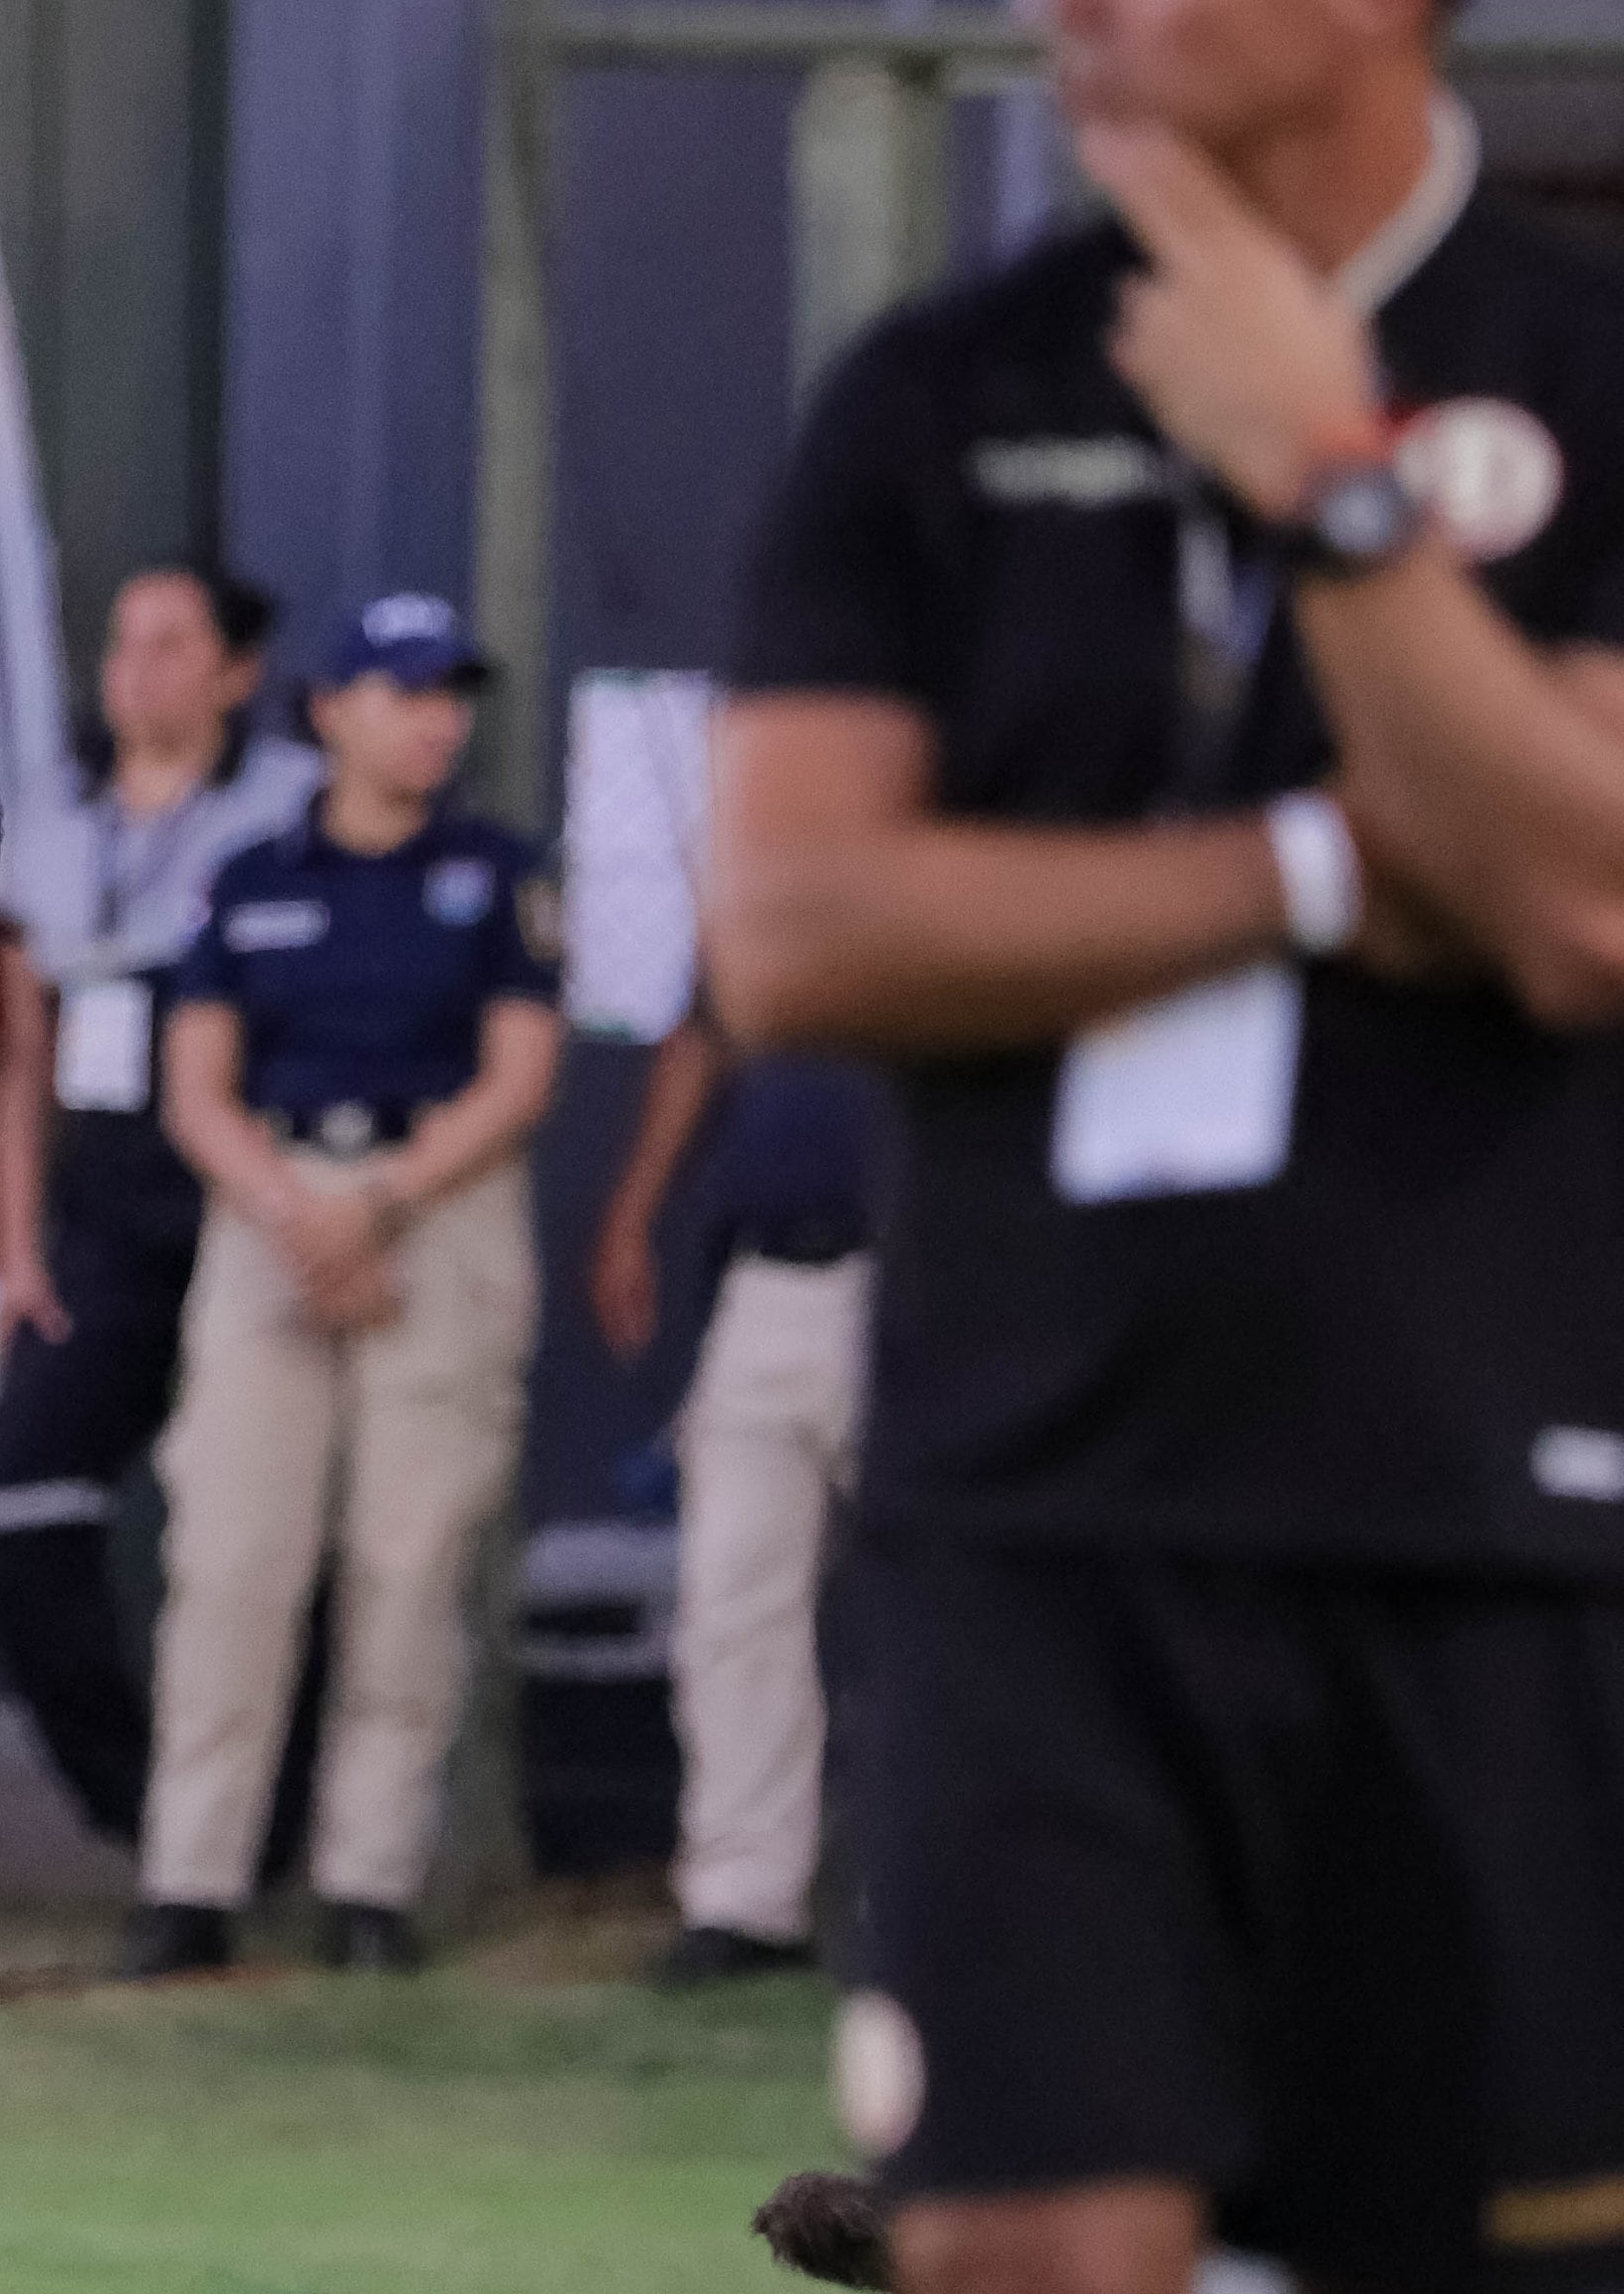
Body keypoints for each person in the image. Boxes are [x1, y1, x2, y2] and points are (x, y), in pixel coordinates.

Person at [709, 0, 1624, 2283]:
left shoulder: (1583, 366)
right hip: (1032, 1511)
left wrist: (1326, 482)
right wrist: (1325, 869)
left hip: (1485, 1520)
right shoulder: (939, 393)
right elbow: (800, 928)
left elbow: (1580, 900)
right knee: (1027, 2244)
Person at [121, 594, 560, 1980]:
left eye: (451, 692)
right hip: (272, 1203)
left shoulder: (493, 873)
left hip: (434, 1201)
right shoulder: (251, 877)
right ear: (329, 710)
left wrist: (373, 1209)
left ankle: (369, 1885)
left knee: (408, 1559)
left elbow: (521, 1077)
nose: (436, 717)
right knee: (233, 1558)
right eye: (404, 689)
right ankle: (191, 1880)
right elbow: (195, 1087)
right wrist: (295, 1214)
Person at [0, 561, 313, 1845]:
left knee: (254, 1517)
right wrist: (18, 1249)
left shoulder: (293, 810)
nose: (136, 673)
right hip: (101, 1217)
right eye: (122, 644)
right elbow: (22, 1052)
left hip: (241, 1197)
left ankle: (270, 1826)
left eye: (171, 646)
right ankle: (142, 1813)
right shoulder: (54, 825)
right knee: (22, 1496)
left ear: (236, 673)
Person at [586, 1007, 882, 1987]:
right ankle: (745, 1901)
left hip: (921, 1271)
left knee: (942, 1611)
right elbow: (701, 1035)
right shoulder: (772, 871)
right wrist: (635, 1212)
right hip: (763, 1270)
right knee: (731, 1604)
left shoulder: (975, 861)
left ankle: (929, 1901)